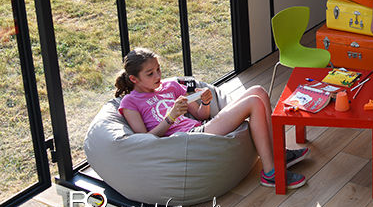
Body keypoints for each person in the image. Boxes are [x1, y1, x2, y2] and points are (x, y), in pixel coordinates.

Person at [115, 48, 309, 190]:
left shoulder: (170, 87)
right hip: (186, 139)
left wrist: (205, 102)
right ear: (134, 79)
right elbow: (143, 142)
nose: (158, 75)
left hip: (202, 128)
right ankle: (270, 173)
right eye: (150, 73)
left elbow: (201, 115)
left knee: (258, 91)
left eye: (158, 69)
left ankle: (276, 153)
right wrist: (170, 118)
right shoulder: (130, 103)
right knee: (254, 103)